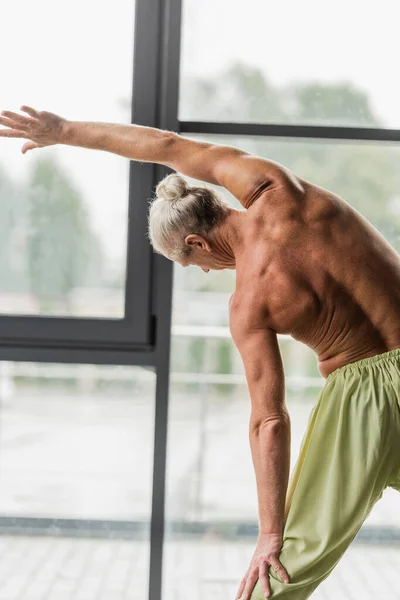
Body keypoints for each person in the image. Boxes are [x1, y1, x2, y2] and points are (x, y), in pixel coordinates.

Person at [1, 106, 400, 600]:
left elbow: (269, 421)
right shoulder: (274, 186)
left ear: (195, 241)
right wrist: (64, 131)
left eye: (193, 263)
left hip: (364, 402)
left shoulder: (249, 302)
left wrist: (270, 533)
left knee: (282, 572)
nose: (208, 272)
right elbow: (168, 146)